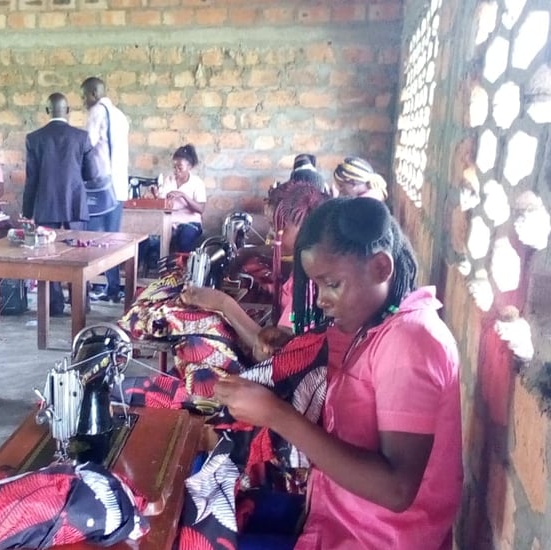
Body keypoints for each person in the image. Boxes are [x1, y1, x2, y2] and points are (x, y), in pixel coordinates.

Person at [214, 197, 462, 549]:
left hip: (375, 538)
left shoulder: (412, 342)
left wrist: (275, 413)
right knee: (212, 502)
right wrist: (290, 344)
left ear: (380, 267)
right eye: (317, 286)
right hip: (336, 516)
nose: (320, 301)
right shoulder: (375, 325)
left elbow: (396, 489)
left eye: (332, 284)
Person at [180, 176, 328, 359]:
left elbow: (272, 355)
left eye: (277, 226)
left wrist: (224, 303)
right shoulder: (301, 271)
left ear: (306, 228)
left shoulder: (308, 286)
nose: (271, 233)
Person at [24, 92, 97, 316]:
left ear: (47, 111)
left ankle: (53, 305)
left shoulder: (34, 138)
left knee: (48, 255)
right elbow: (91, 174)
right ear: (68, 111)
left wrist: (27, 211)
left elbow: (32, 177)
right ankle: (79, 303)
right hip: (75, 204)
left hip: (45, 205)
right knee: (78, 254)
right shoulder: (82, 137)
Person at [81, 76, 130, 303]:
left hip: (100, 189)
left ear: (93, 93)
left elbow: (87, 146)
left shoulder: (97, 112)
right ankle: (113, 288)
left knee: (89, 241)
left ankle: (83, 289)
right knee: (112, 240)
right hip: (119, 188)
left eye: (84, 96)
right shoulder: (120, 116)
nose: (83, 101)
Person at [160, 144, 206, 253]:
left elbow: (201, 209)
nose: (176, 171)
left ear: (189, 166)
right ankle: (162, 268)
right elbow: (162, 203)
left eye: (180, 168)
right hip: (170, 222)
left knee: (184, 240)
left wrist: (183, 196)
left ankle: (183, 269)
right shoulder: (169, 180)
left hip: (191, 223)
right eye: (174, 167)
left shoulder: (197, 183)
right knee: (153, 241)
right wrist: (156, 194)